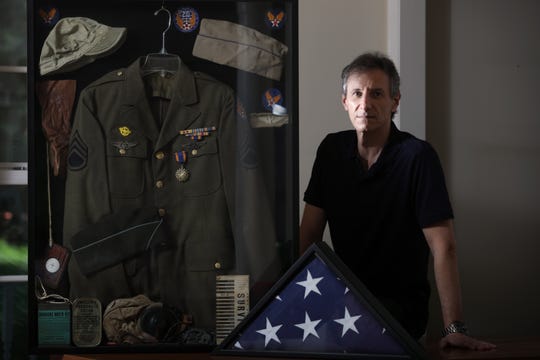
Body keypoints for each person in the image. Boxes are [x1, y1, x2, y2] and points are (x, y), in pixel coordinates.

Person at [299, 52, 495, 351]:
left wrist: (454, 327)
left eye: (377, 93)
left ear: (395, 102)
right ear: (345, 102)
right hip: (342, 304)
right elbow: (309, 235)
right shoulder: (331, 151)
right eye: (357, 94)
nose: (365, 104)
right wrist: (298, 303)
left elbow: (444, 246)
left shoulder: (418, 157)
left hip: (399, 310)